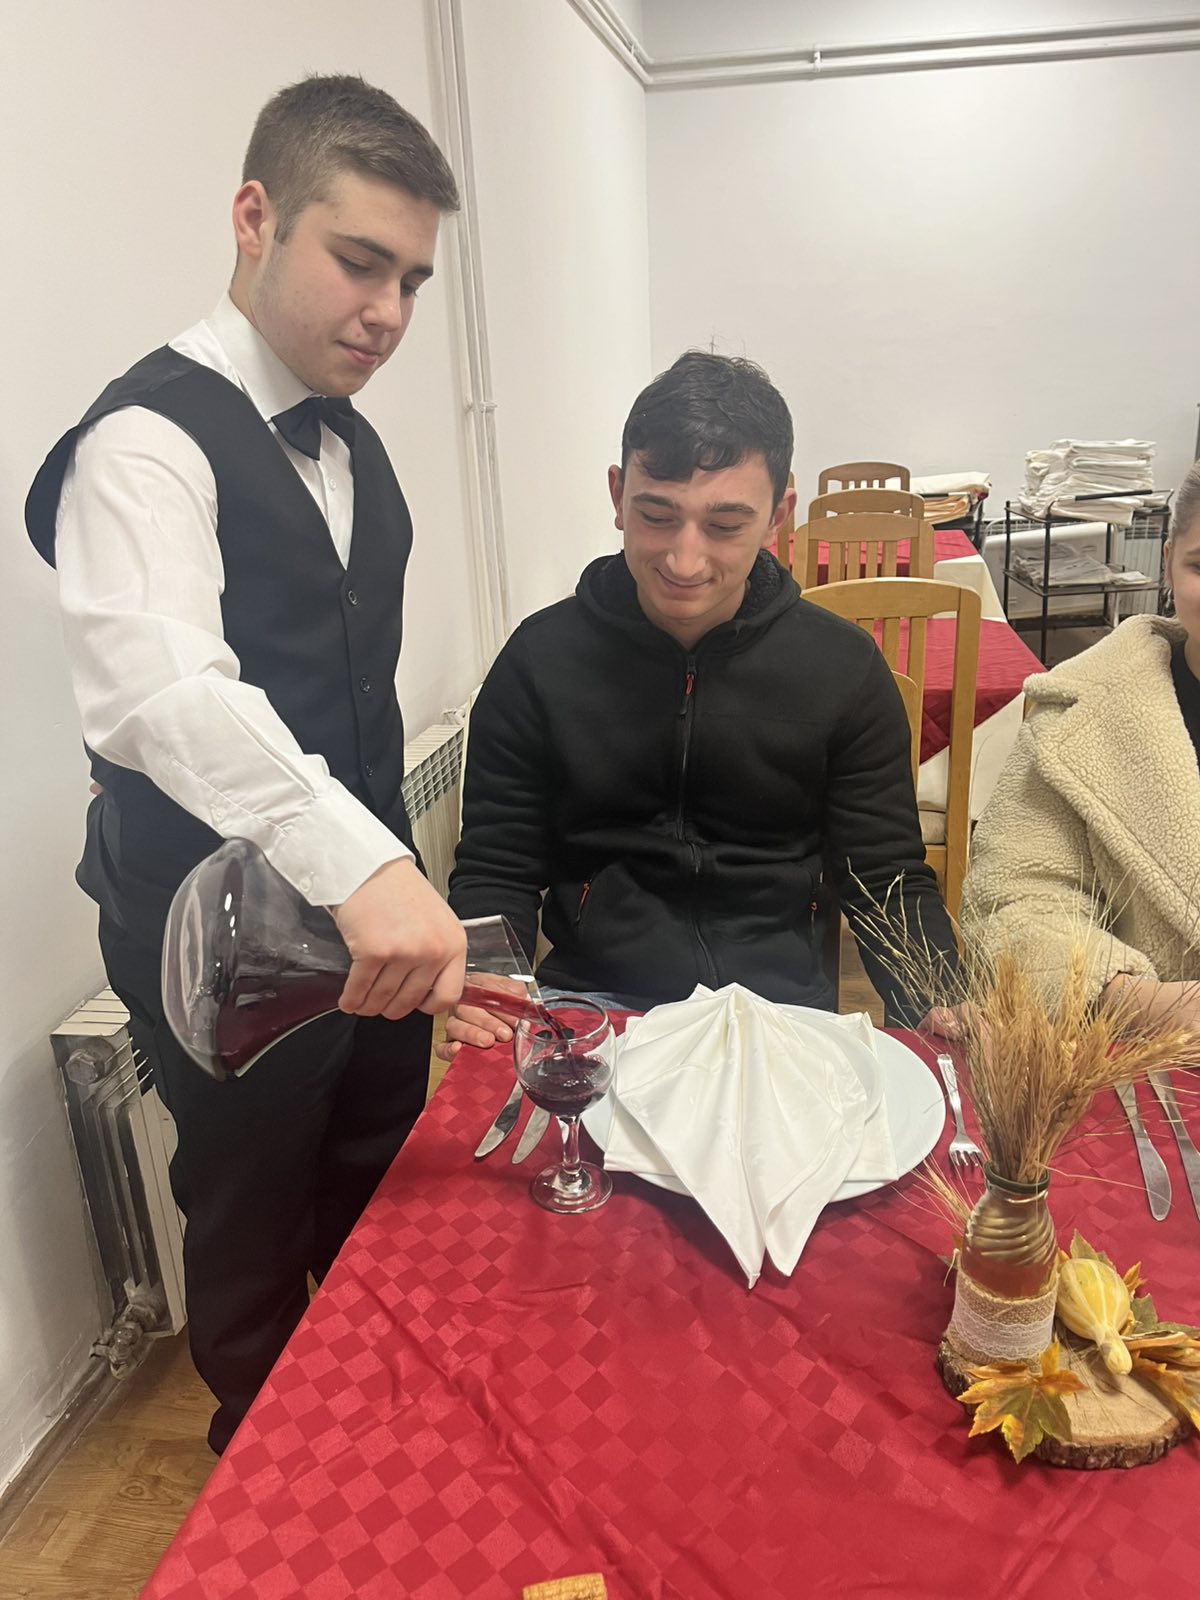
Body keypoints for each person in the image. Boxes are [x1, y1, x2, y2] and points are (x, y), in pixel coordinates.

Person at [25, 75, 467, 1453]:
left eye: (412, 280)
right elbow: (163, 690)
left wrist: (379, 876)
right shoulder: (142, 442)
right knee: (251, 1216)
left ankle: (392, 1437)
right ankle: (269, 1476)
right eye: (359, 261)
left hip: (364, 912)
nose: (387, 311)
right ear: (254, 217)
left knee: (378, 1167)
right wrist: (365, 865)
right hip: (213, 933)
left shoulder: (354, 439)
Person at [442, 351, 958, 1061]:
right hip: (593, 1010)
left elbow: (885, 880)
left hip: (779, 1016)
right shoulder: (538, 660)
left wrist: (939, 997)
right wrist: (489, 981)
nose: (684, 562)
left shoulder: (842, 668)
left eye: (724, 526)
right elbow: (496, 864)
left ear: (778, 516)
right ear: (618, 494)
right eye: (657, 516)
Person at [963, 461, 1200, 1025]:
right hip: (1136, 1054)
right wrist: (1149, 1004)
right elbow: (1014, 898)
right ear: (1167, 565)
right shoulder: (1079, 710)